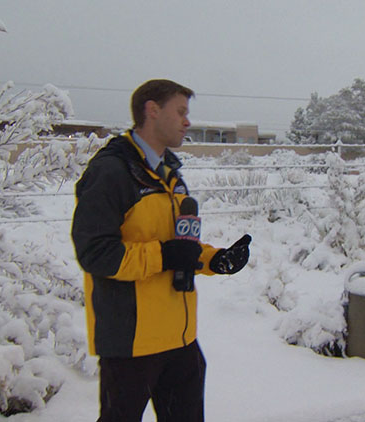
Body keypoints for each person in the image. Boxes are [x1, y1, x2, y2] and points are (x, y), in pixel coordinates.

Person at [71, 79, 252, 422]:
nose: (187, 121)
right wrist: (164, 256)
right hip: (131, 342)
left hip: (179, 337)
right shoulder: (111, 172)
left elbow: (177, 244)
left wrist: (214, 260)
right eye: (181, 112)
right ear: (152, 111)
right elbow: (94, 253)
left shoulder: (169, 173)